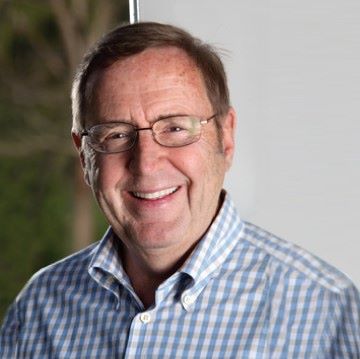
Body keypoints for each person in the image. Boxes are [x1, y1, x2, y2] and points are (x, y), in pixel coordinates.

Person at [1, 22, 359, 358]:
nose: (146, 163)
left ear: (226, 136)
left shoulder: (328, 315)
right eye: (116, 134)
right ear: (83, 154)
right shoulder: (39, 309)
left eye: (174, 128)